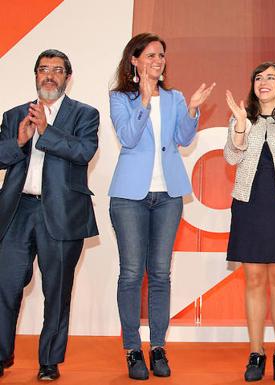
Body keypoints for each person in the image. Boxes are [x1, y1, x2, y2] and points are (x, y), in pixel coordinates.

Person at [108, 33, 214, 380]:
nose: (158, 60)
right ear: (135, 60)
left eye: (162, 55)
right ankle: (131, 349)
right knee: (131, 273)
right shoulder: (120, 98)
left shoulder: (175, 97)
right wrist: (144, 100)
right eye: (151, 55)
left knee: (161, 274)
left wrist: (193, 109)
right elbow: (128, 137)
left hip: (167, 196)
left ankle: (157, 347)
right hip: (129, 197)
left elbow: (183, 139)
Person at [0, 49, 99, 381]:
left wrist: (46, 131)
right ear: (35, 76)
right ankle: (1, 356)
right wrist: (20, 139)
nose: (49, 75)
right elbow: (1, 156)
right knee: (6, 285)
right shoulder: (15, 115)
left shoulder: (85, 114)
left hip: (62, 213)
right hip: (17, 211)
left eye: (57, 70)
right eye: (43, 69)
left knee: (56, 291)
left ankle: (49, 361)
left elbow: (84, 151)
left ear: (67, 78)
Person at [223, 61, 275, 382]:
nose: (263, 82)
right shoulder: (241, 117)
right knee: (254, 279)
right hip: (249, 202)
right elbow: (232, 156)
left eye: (271, 77)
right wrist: (241, 124)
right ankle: (256, 353)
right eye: (258, 77)